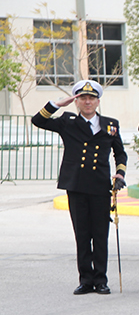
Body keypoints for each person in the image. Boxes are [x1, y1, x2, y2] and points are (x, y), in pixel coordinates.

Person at [31, 80, 127, 295]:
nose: (87, 102)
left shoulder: (110, 125)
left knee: (100, 234)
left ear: (98, 101)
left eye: (91, 98)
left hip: (100, 186)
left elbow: (120, 153)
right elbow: (38, 120)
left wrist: (120, 173)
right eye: (82, 98)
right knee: (82, 234)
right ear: (76, 101)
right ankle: (86, 279)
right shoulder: (68, 121)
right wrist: (58, 104)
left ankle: (101, 279)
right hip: (76, 184)